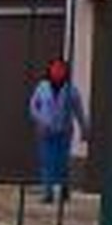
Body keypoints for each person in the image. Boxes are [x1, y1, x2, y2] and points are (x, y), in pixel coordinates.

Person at [26, 56, 88, 205]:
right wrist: (40, 120)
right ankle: (48, 192)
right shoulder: (42, 87)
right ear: (50, 70)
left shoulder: (71, 90)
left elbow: (78, 110)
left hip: (64, 130)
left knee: (61, 161)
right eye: (55, 68)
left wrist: (84, 129)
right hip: (46, 130)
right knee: (47, 161)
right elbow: (33, 106)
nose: (58, 71)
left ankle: (64, 187)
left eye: (61, 68)